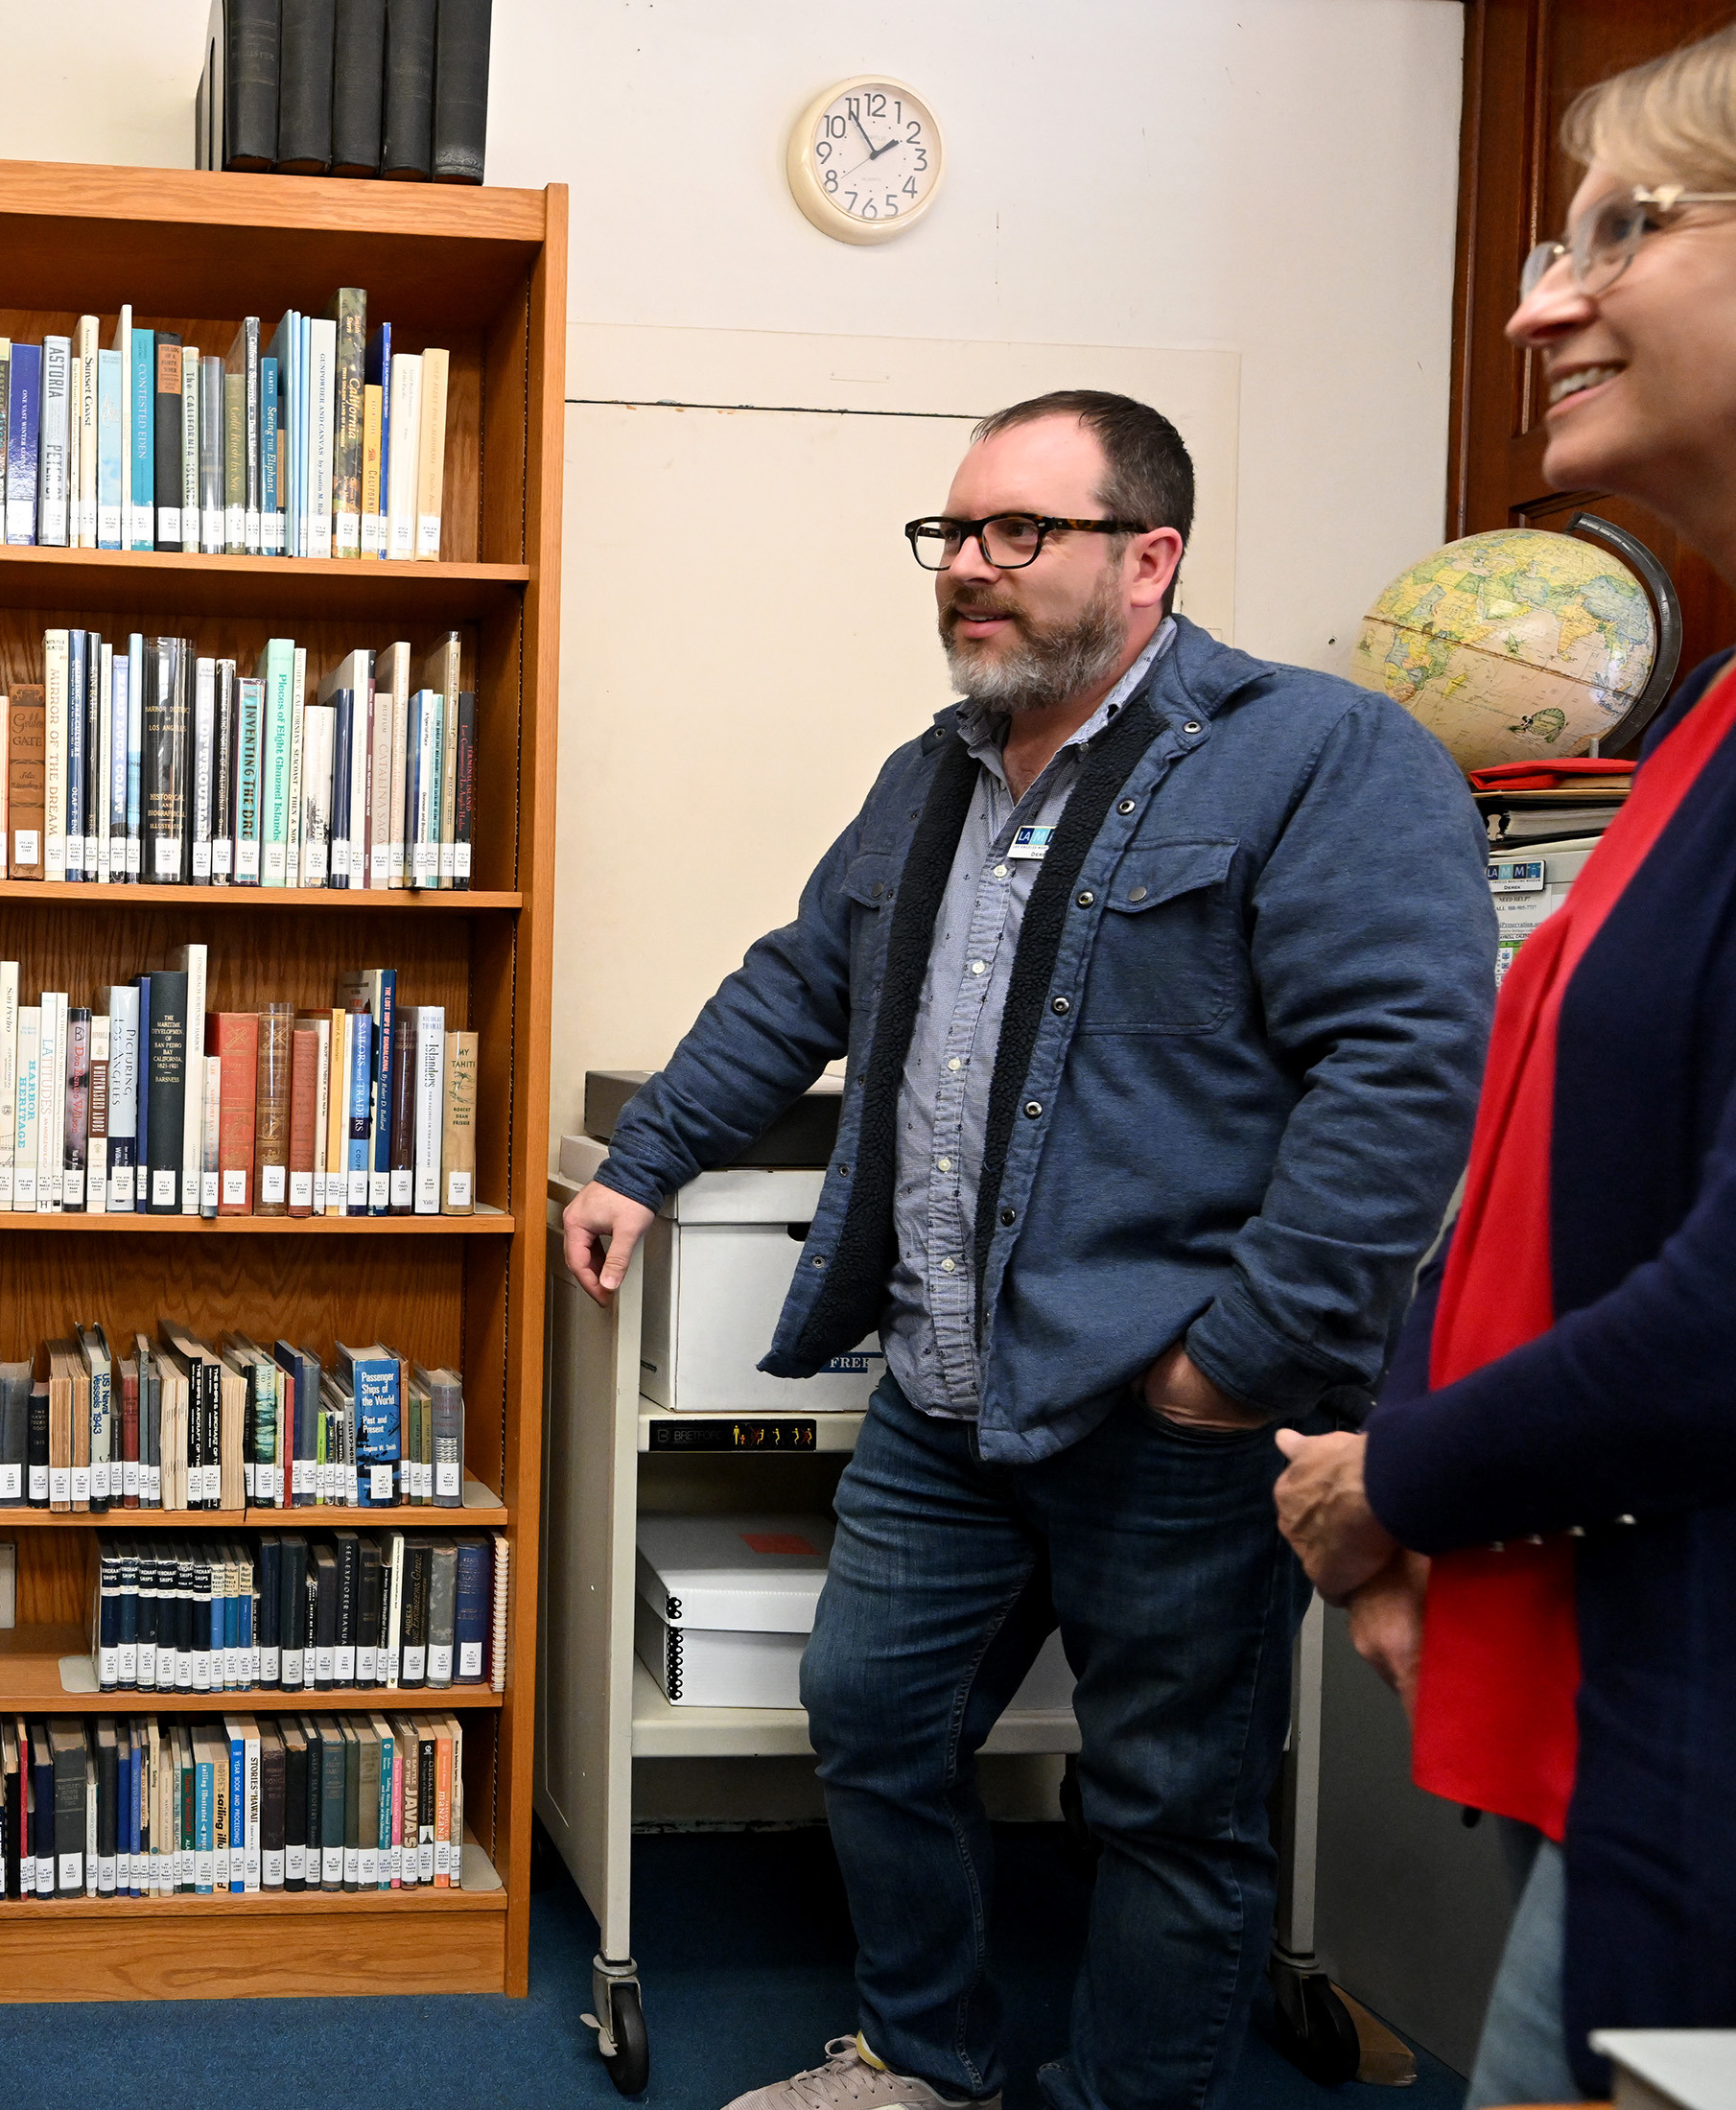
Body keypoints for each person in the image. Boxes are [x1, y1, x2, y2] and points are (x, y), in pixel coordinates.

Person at [564, 390, 1496, 2110]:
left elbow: (1405, 1077)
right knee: (871, 1719)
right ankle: (932, 2062)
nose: (968, 571)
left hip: (1179, 1411)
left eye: (1017, 534)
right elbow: (799, 980)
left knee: (1171, 1807)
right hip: (944, 1381)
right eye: (953, 535)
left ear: (1151, 558)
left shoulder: (1324, 756)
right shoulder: (933, 774)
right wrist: (650, 1157)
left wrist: (1241, 1360)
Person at [1274, 25, 1736, 2104]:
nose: (1539, 300)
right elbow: (1533, 1123)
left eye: (1624, 229)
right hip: (1645, 1695)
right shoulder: (1712, 717)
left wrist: (1400, 1480)